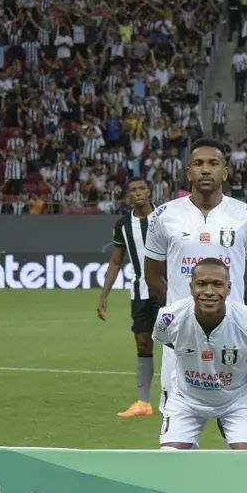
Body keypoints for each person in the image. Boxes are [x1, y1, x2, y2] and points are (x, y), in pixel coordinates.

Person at [143, 138, 247, 414]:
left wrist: (234, 312)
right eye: (198, 164)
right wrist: (180, 312)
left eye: (213, 163)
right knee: (178, 422)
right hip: (180, 334)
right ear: (188, 171)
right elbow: (152, 274)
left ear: (225, 172)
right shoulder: (163, 216)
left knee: (235, 421)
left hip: (232, 334)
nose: (205, 169)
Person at [152, 258, 247, 449]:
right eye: (201, 284)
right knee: (169, 457)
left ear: (228, 288)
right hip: (186, 400)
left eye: (218, 284)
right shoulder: (169, 318)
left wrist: (239, 360)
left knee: (246, 461)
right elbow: (168, 342)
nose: (209, 292)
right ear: (191, 287)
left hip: (237, 400)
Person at [98, 179, 161, 417]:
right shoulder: (123, 225)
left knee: (179, 344)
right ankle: (144, 403)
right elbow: (116, 261)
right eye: (133, 190)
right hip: (140, 292)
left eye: (142, 189)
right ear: (127, 197)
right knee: (143, 343)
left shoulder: (164, 218)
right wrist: (104, 294)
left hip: (167, 290)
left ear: (149, 191)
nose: (138, 193)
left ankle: (182, 399)